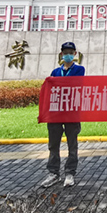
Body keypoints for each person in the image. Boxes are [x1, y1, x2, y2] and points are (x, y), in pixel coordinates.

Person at [42, 42, 86, 188]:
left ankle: (70, 173)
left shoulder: (79, 69)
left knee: (72, 144)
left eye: (70, 52)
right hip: (55, 113)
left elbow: (75, 84)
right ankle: (53, 173)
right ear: (61, 54)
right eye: (65, 52)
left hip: (71, 112)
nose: (68, 54)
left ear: (75, 54)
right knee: (53, 144)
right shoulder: (55, 72)